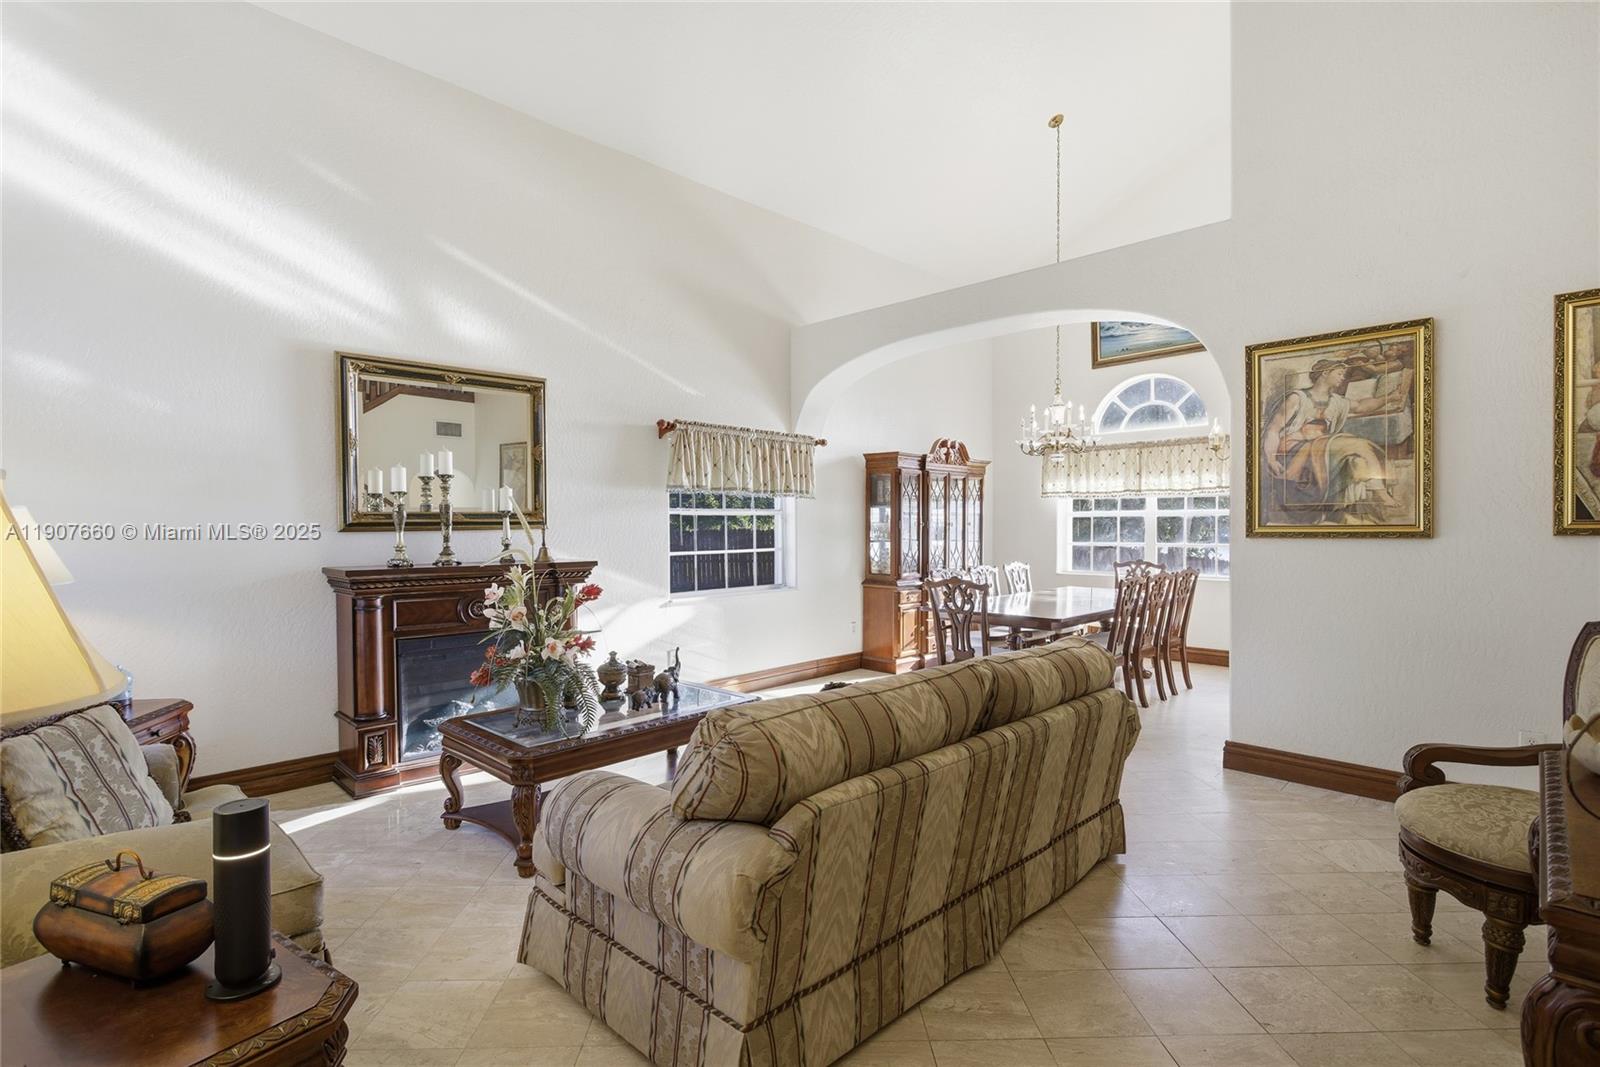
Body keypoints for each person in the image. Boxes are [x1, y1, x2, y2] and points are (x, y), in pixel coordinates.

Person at [1260, 350, 1410, 521]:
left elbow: (1361, 405)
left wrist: (1389, 398)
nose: (1342, 378)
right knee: (1357, 444)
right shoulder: (1297, 398)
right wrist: (1271, 458)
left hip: (1322, 446)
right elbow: (1273, 429)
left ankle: (1347, 508)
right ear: (1325, 373)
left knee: (1357, 459)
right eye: (1339, 373)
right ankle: (1381, 494)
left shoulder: (1336, 401)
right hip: (1295, 446)